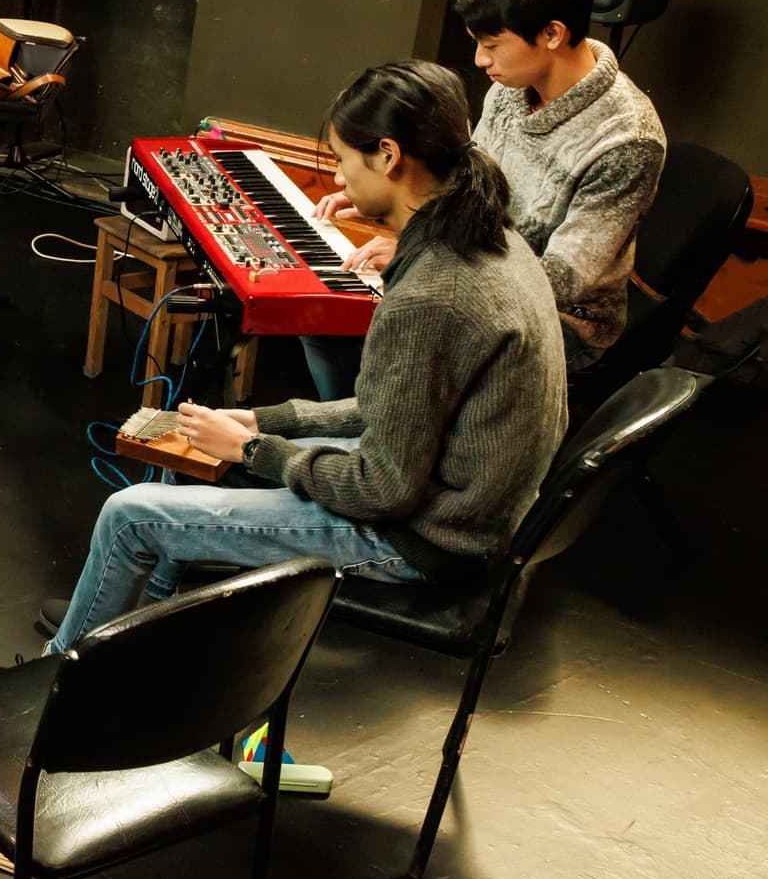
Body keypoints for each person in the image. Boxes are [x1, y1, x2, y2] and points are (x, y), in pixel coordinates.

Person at [45, 60, 567, 653]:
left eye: (344, 162)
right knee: (192, 436)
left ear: (389, 157)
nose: (340, 183)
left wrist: (252, 449)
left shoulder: (432, 295)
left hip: (424, 539)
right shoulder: (496, 237)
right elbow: (389, 410)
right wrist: (269, 421)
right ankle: (137, 622)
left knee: (129, 512)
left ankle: (57, 681)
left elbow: (382, 490)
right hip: (461, 499)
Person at [302, 0, 665, 399]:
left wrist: (420, 256)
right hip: (472, 262)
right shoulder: (513, 87)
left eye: (491, 45)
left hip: (561, 324)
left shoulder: (627, 139)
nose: (479, 60)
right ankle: (357, 432)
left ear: (552, 34)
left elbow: (559, 279)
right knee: (321, 316)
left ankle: (375, 448)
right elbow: (469, 183)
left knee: (385, 329)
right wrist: (380, 192)